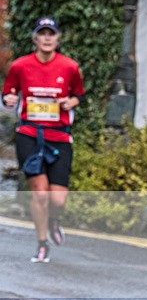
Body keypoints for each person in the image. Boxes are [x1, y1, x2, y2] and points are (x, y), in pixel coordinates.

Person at [2, 17, 85, 263]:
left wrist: (70, 102)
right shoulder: (20, 66)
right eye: (43, 33)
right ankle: (41, 243)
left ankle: (53, 219)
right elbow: (8, 93)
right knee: (39, 194)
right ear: (35, 39)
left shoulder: (70, 67)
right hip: (29, 134)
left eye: (52, 34)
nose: (47, 38)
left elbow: (78, 95)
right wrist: (7, 100)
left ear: (58, 39)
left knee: (57, 199)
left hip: (59, 136)